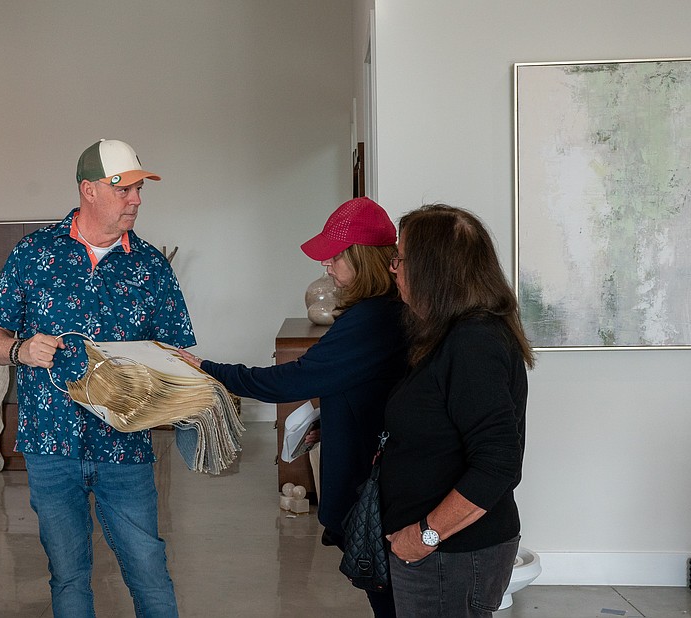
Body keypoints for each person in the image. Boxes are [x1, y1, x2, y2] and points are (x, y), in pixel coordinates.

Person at [0, 139, 193, 618]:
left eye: (139, 189)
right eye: (124, 189)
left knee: (149, 569)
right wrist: (19, 349)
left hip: (126, 447)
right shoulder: (34, 253)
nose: (136, 199)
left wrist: (193, 380)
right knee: (69, 575)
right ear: (88, 190)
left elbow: (177, 352)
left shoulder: (151, 265)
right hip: (50, 445)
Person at [177, 197, 407, 618]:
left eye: (335, 256)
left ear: (362, 259)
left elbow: (290, 379)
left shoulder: (371, 319)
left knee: (389, 596)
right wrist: (328, 418)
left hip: (374, 476)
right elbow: (362, 386)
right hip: (375, 463)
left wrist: (210, 369)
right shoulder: (385, 312)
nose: (327, 266)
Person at [381, 204, 535, 618]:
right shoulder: (450, 334)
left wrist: (426, 535)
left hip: (454, 555)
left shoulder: (474, 344)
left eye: (400, 258)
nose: (394, 269)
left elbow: (499, 464)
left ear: (434, 270)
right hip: (440, 553)